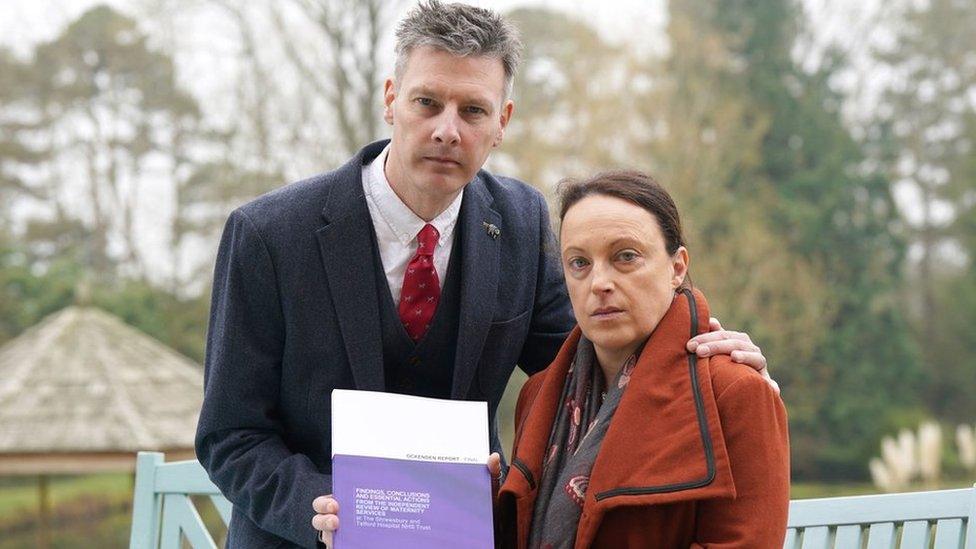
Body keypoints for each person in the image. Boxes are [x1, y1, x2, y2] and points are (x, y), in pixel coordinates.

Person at [195, 2, 774, 547]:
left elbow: (588, 353)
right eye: (427, 103)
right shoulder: (267, 234)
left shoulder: (522, 222)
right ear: (391, 99)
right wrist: (313, 505)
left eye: (473, 110)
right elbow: (229, 433)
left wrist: (703, 352)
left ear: (502, 122)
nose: (448, 129)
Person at [495, 171, 790, 548]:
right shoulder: (539, 395)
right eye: (579, 263)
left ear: (677, 267)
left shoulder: (735, 392)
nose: (599, 282)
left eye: (625, 257)